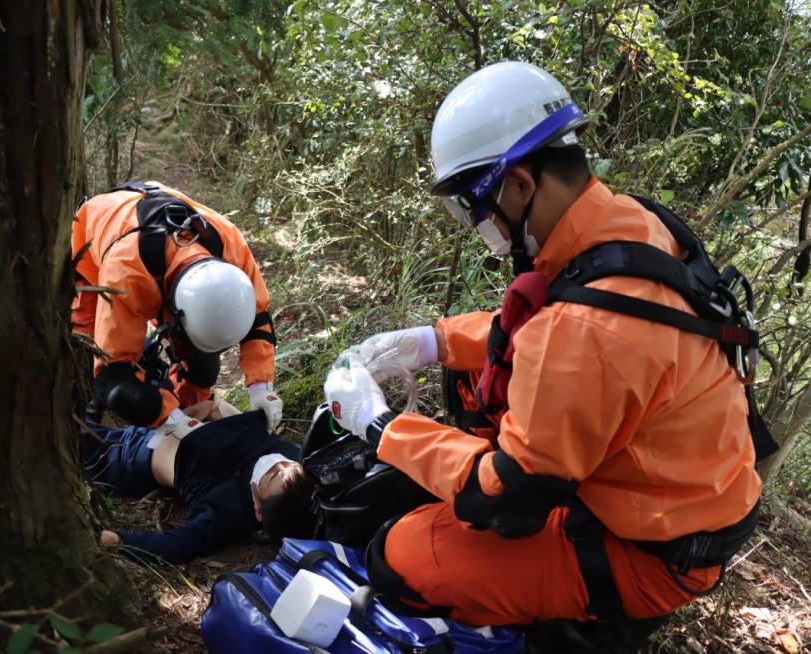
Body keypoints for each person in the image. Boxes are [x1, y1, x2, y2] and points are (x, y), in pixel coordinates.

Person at [324, 61, 762, 628]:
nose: (476, 221)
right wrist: (435, 342)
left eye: (470, 205)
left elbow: (506, 489)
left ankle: (593, 625)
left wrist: (380, 425)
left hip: (652, 549)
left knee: (399, 557)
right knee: (469, 373)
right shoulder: (627, 221)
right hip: (673, 478)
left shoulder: (587, 329)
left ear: (522, 184)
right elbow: (550, 328)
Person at [71, 180, 284, 440]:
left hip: (156, 230)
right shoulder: (124, 274)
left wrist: (261, 387)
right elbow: (115, 374)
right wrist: (171, 420)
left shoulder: (230, 247)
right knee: (87, 345)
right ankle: (83, 416)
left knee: (203, 368)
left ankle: (185, 405)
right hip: (94, 236)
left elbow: (258, 319)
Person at [83, 404, 316, 565]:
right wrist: (216, 409)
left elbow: (179, 545)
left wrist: (119, 541)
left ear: (258, 509)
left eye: (273, 475)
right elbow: (253, 436)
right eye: (290, 466)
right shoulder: (292, 457)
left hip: (126, 455)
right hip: (172, 415)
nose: (278, 464)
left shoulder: (227, 512)